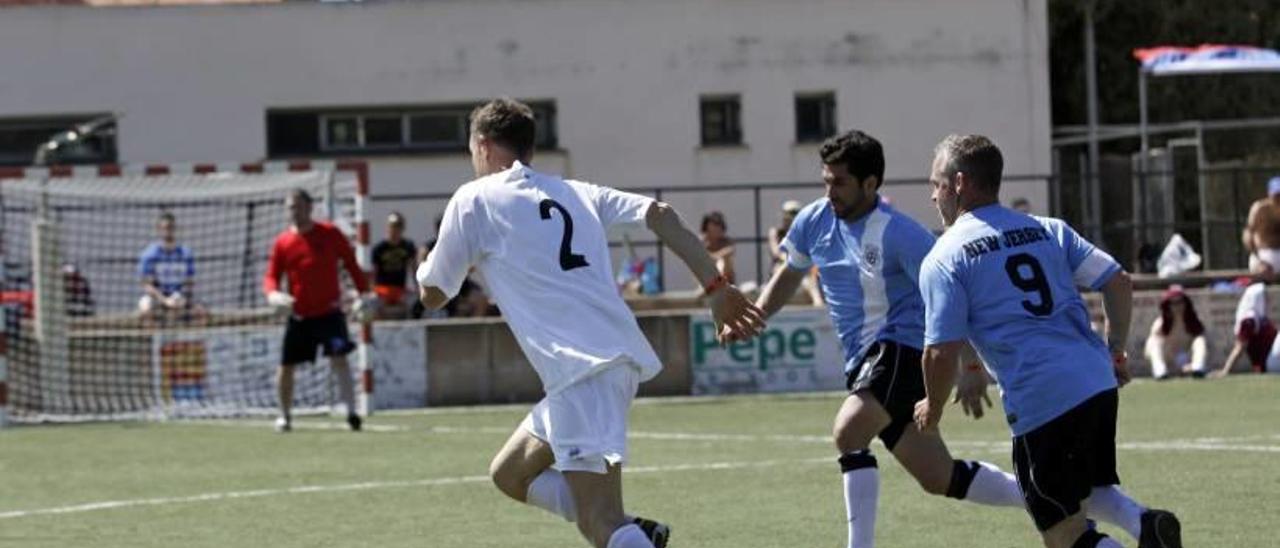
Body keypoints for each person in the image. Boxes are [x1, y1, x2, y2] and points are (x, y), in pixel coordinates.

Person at [416, 98, 764, 548]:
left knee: (598, 525)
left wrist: (428, 267)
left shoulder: (474, 199)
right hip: (608, 365)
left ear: (482, 146)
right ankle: (633, 531)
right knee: (509, 473)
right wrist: (716, 287)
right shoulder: (574, 191)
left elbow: (434, 295)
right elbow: (660, 214)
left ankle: (622, 532)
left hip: (582, 372)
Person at [746, 130, 1024, 548]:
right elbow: (790, 273)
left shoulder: (900, 233)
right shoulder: (813, 220)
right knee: (938, 477)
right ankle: (1054, 500)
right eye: (826, 181)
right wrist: (755, 316)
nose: (830, 192)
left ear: (870, 184)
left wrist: (969, 363)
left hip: (900, 348)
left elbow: (950, 294)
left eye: (839, 182)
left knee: (848, 431)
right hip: (866, 363)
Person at [915, 134, 1181, 548]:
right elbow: (1118, 281)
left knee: (1064, 536)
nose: (933, 197)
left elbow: (939, 349)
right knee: (1083, 488)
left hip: (1043, 398)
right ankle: (1145, 524)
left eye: (936, 184)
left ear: (960, 183)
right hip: (1096, 382)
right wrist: (1116, 350)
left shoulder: (945, 255)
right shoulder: (1047, 228)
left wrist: (932, 407)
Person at [263, 189, 372, 433]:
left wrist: (364, 293)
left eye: (298, 206)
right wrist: (273, 294)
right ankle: (285, 416)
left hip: (330, 314)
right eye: (290, 207)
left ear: (310, 207)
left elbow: (352, 265)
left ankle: (352, 413)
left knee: (340, 359)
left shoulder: (330, 234)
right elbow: (271, 276)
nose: (294, 211)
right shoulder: (283, 242)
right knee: (286, 367)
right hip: (300, 316)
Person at [137, 212, 206, 325]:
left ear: (175, 229)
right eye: (164, 228)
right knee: (145, 310)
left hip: (179, 296)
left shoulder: (185, 253)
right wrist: (165, 300)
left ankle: (192, 340)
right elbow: (147, 285)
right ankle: (154, 341)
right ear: (158, 230)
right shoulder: (150, 254)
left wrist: (180, 298)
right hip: (157, 298)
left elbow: (189, 282)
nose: (167, 232)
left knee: (200, 312)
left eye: (170, 228)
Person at [1212, 282, 1280, 377]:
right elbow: (1240, 347)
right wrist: (1226, 371)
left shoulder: (1259, 317)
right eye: (1265, 296)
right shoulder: (1249, 320)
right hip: (1269, 362)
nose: (1268, 300)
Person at [1143, 286, 1208, 379]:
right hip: (1168, 359)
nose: (1177, 306)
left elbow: (1203, 346)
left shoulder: (1194, 322)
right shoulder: (1161, 323)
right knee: (1153, 341)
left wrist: (1190, 365)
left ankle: (1198, 369)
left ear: (1186, 303)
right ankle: (1160, 372)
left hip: (1188, 358)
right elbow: (1148, 352)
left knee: (1200, 339)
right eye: (1173, 303)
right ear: (1168, 305)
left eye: (1180, 302)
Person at [767, 200, 823, 305]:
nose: (790, 218)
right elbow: (777, 252)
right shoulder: (775, 232)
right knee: (779, 270)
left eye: (794, 213)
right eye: (788, 213)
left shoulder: (804, 234)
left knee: (811, 280)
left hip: (800, 267)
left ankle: (819, 308)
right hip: (781, 266)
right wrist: (793, 260)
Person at [371, 212, 418, 319]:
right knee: (373, 304)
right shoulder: (379, 248)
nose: (396, 229)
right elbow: (374, 272)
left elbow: (413, 268)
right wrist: (372, 290)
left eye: (399, 226)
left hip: (400, 290)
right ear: (388, 227)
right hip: (382, 289)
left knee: (415, 302)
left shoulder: (408, 246)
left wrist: (418, 288)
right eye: (393, 226)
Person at [1242, 176, 1280, 275]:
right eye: (1276, 195)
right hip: (1263, 257)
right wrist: (1259, 260)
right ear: (1270, 194)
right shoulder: (1259, 208)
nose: (1278, 198)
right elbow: (1248, 235)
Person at [700, 211, 736, 286]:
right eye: (714, 226)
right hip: (707, 281)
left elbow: (729, 251)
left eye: (719, 226)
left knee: (725, 260)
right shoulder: (702, 243)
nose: (717, 229)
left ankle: (719, 283)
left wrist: (716, 256)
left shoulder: (726, 242)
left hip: (725, 281)